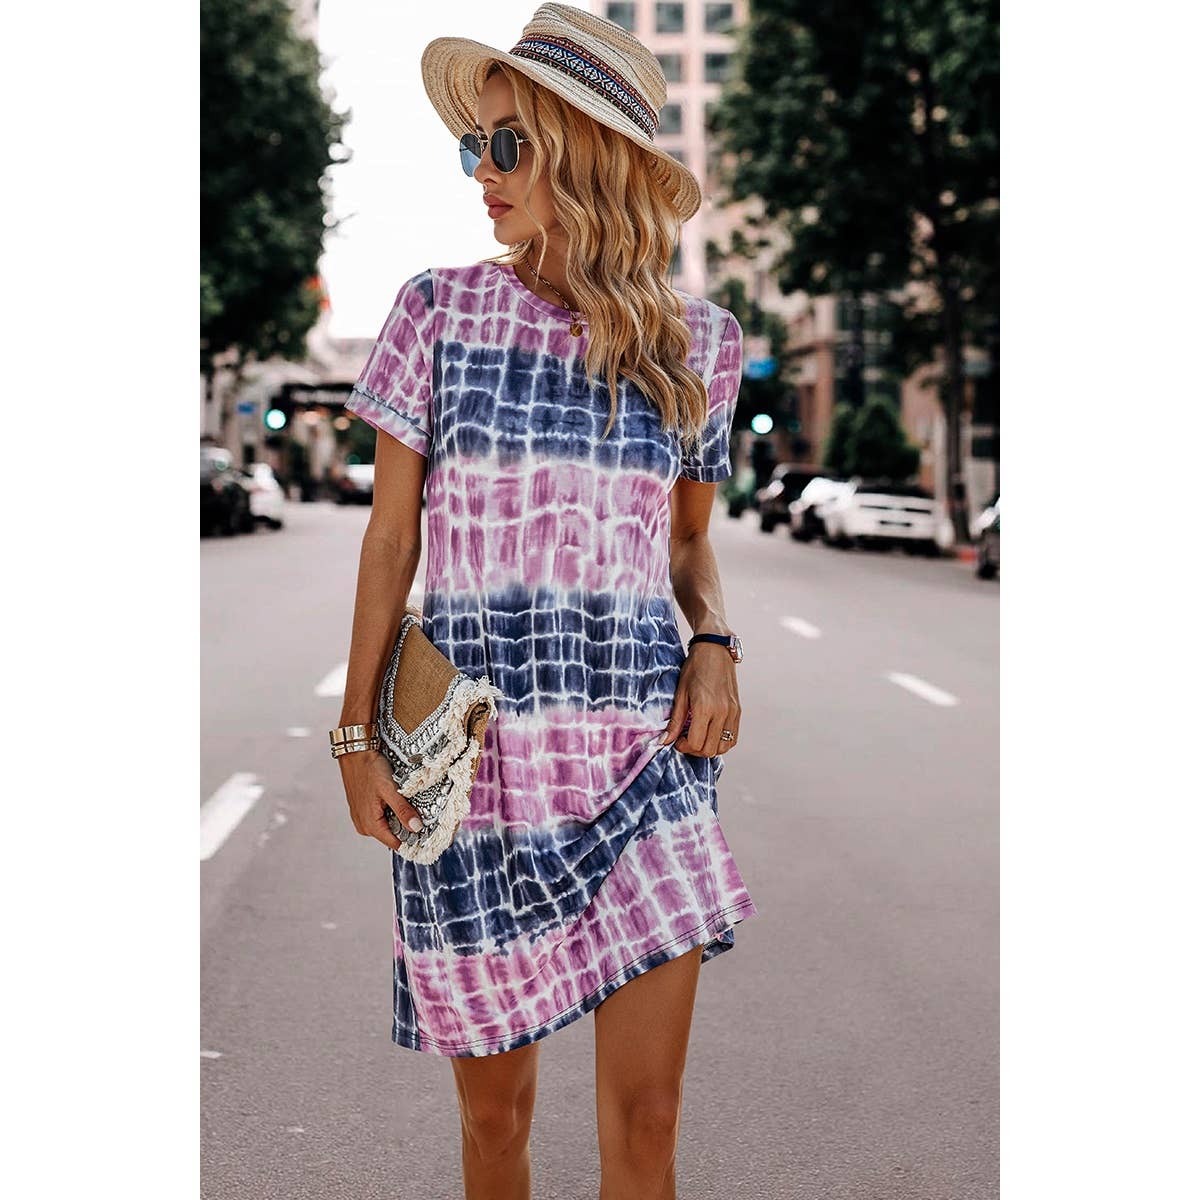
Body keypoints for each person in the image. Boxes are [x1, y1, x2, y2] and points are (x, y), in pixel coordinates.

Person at [333, 5, 758, 1197]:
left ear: (586, 152)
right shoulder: (436, 313)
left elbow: (689, 545)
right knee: (496, 1125)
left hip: (642, 761)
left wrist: (715, 639)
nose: (483, 171)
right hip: (480, 775)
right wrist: (357, 737)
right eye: (474, 146)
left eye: (508, 144)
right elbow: (391, 540)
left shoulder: (701, 344)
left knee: (650, 1118)